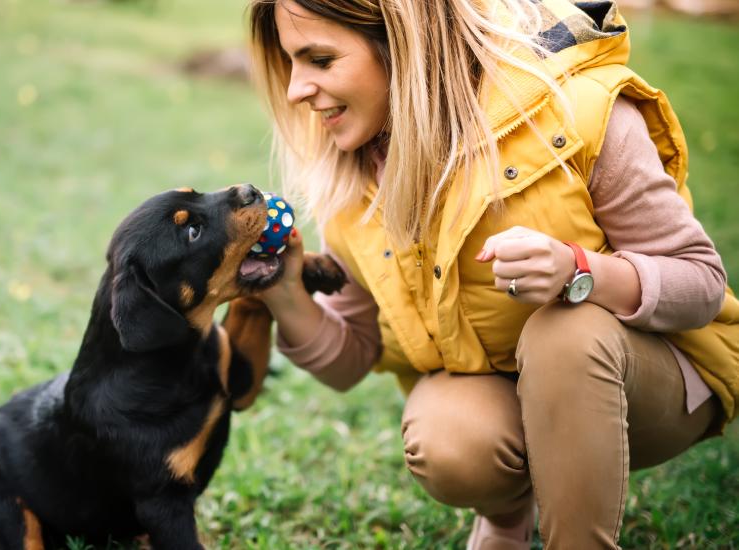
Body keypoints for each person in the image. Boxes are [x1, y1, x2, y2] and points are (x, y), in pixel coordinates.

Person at [247, 0, 739, 548]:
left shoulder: (576, 111)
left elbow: (699, 282)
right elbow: (351, 357)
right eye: (291, 64)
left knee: (565, 333)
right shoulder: (356, 176)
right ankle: (507, 515)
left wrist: (580, 271)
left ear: (403, 42)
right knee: (449, 438)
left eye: (318, 59)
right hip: (506, 388)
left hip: (655, 383)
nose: (295, 90)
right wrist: (284, 290)